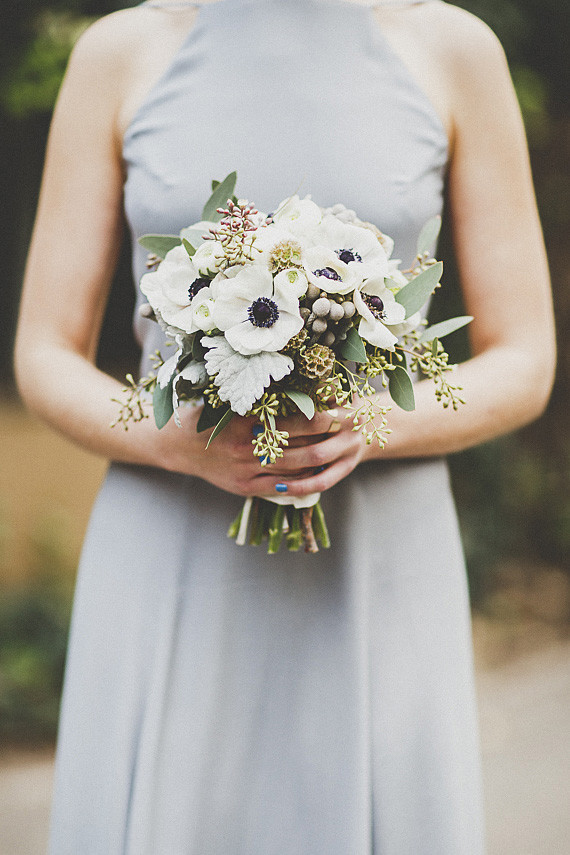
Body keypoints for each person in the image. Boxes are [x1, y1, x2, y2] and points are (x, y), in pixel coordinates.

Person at [15, 0, 555, 852]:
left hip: (380, 555)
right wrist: (173, 440)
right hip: (171, 544)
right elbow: (43, 352)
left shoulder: (452, 48)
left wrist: (368, 422)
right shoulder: (119, 52)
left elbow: (526, 358)